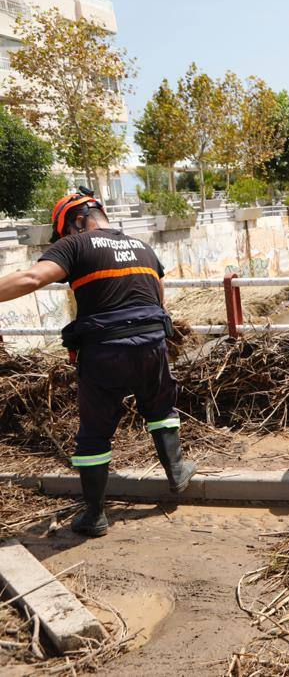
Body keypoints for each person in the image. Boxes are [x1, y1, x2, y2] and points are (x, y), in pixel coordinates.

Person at [0, 189, 194, 537]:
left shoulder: (76, 245)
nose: (66, 238)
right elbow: (159, 299)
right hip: (152, 345)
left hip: (105, 351)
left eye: (65, 232)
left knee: (94, 432)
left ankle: (94, 515)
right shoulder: (142, 247)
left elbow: (32, 278)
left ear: (76, 221)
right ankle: (176, 470)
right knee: (160, 407)